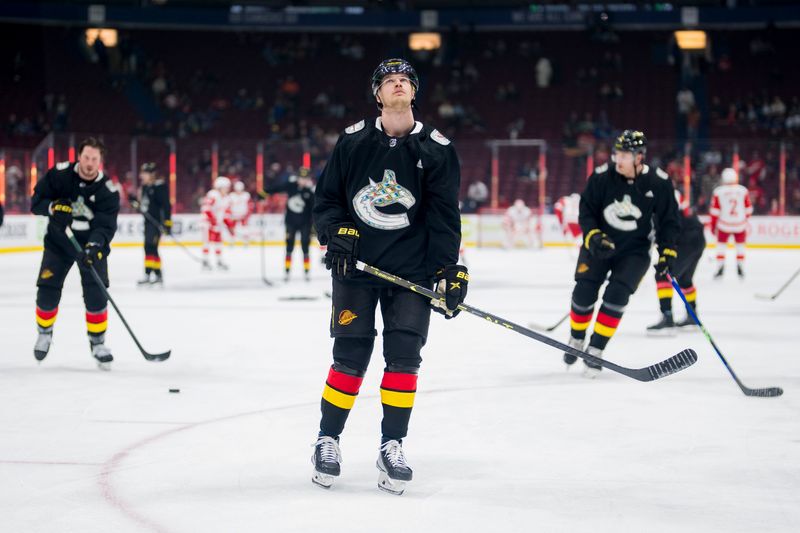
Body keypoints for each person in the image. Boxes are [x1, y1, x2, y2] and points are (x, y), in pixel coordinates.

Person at [311, 58, 465, 495]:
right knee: (350, 358)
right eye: (388, 81)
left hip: (410, 274)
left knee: (404, 359)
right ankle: (327, 440)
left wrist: (448, 269)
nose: (397, 86)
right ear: (377, 94)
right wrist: (334, 233)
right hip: (356, 270)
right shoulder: (353, 141)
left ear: (414, 93)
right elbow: (327, 201)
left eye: (405, 81)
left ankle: (391, 445)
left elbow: (443, 216)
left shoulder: (437, 148)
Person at [564, 130, 679, 377]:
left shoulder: (658, 182)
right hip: (599, 245)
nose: (618, 159)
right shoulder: (601, 177)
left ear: (640, 157)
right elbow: (586, 212)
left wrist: (667, 253)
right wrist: (593, 235)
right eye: (617, 153)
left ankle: (595, 348)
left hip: (634, 252)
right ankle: (576, 339)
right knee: (583, 293)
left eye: (625, 154)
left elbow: (668, 221)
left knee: (616, 297)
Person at [30, 137, 120, 369]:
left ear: (101, 161)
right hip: (59, 244)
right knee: (47, 291)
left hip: (90, 247)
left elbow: (106, 226)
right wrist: (52, 207)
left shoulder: (108, 191)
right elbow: (36, 201)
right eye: (86, 157)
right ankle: (44, 332)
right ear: (78, 156)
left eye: (95, 159)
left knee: (96, 295)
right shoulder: (59, 175)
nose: (90, 163)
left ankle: (98, 343)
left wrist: (94, 246)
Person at [647, 187, 705, 332]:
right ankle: (692, 316)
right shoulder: (676, 200)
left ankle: (667, 317)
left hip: (684, 242)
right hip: (697, 241)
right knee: (685, 280)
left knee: (662, 276)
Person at [263, 167, 315, 281]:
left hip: (305, 224)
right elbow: (277, 188)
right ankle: (287, 271)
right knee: (289, 247)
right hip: (290, 223)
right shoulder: (291, 185)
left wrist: (315, 224)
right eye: (301, 178)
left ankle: (307, 272)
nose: (303, 180)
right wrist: (265, 192)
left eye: (305, 178)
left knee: (305, 248)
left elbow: (314, 209)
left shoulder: (310, 192)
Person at [130, 162, 171, 286]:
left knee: (150, 247)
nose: (142, 175)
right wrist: (135, 203)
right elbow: (144, 206)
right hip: (148, 223)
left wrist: (167, 223)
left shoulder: (159, 186)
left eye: (145, 173)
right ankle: (154, 274)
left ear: (152, 174)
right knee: (149, 247)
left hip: (156, 223)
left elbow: (166, 206)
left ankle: (152, 274)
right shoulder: (145, 187)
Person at [710, 168, 752, 278]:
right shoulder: (743, 190)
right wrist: (744, 219)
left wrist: (713, 226)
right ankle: (740, 267)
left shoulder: (718, 191)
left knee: (721, 246)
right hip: (740, 224)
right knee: (740, 246)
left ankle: (720, 267)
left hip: (724, 224)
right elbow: (748, 209)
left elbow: (715, 211)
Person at [201, 176, 231, 270]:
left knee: (218, 242)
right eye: (226, 187)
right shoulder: (213, 195)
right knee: (207, 242)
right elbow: (206, 209)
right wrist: (213, 221)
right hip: (207, 223)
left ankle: (219, 261)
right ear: (220, 187)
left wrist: (228, 224)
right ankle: (205, 261)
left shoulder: (226, 198)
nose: (227, 189)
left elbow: (225, 212)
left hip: (217, 224)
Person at [226, 180, 253, 246]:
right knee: (232, 228)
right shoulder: (231, 196)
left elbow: (250, 205)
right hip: (233, 215)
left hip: (244, 215)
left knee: (245, 228)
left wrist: (247, 214)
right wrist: (230, 214)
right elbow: (227, 205)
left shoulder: (246, 195)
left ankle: (246, 241)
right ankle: (232, 241)